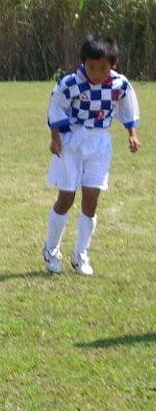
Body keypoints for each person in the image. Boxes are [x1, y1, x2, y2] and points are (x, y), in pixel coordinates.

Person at [42, 35, 140, 276]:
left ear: (113, 65)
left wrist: (132, 134)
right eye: (91, 67)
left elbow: (128, 108)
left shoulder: (120, 85)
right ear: (83, 63)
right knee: (66, 197)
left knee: (91, 199)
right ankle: (51, 250)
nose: (96, 73)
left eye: (102, 68)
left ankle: (81, 254)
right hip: (72, 141)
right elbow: (56, 107)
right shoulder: (71, 83)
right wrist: (55, 138)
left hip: (100, 143)